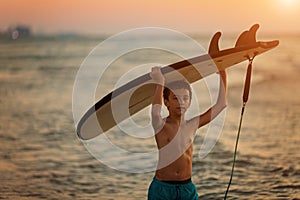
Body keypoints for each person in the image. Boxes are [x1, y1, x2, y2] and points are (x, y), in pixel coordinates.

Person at [148, 66, 227, 200]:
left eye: (185, 98)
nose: (181, 102)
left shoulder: (192, 125)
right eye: (175, 98)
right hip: (162, 189)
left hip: (187, 188)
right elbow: (155, 113)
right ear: (166, 102)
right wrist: (160, 81)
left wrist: (223, 74)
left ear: (190, 102)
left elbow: (221, 105)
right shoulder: (161, 125)